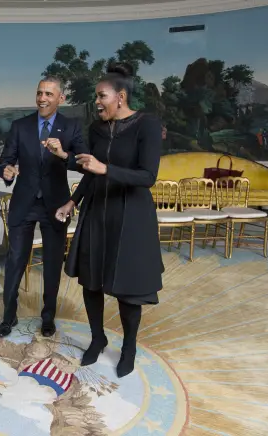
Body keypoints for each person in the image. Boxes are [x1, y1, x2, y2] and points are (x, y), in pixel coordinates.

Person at [55, 62, 164, 378]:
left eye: (102, 96)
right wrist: (73, 201)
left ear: (121, 96)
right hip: (97, 214)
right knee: (91, 281)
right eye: (96, 96)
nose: (97, 102)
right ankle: (97, 337)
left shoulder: (147, 124)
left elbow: (148, 176)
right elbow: (90, 173)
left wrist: (107, 169)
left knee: (128, 289)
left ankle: (129, 347)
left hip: (132, 217)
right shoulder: (97, 129)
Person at [0, 76, 86, 338]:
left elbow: (83, 162)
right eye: (39, 93)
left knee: (52, 263)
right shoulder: (20, 126)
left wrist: (63, 155)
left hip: (55, 206)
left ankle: (48, 318)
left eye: (48, 94)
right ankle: (8, 317)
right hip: (24, 204)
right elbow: (5, 160)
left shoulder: (72, 127)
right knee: (14, 262)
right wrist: (7, 170)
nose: (42, 98)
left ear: (61, 98)